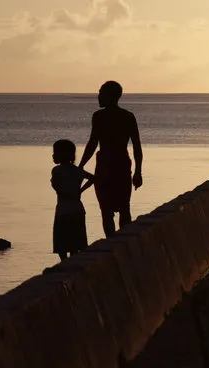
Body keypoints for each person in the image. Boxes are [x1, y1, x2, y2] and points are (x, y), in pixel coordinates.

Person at [79, 81, 143, 238]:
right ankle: (118, 242)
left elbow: (136, 146)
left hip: (113, 165)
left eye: (101, 93)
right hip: (112, 164)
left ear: (111, 96)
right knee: (116, 208)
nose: (98, 96)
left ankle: (117, 241)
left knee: (114, 209)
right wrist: (81, 165)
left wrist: (138, 172)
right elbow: (93, 143)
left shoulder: (109, 117)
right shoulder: (120, 116)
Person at [51, 139, 94, 260]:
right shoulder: (77, 171)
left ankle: (64, 267)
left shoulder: (57, 170)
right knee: (76, 245)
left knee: (62, 246)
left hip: (63, 211)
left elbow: (57, 186)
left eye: (55, 153)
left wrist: (60, 190)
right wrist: (80, 190)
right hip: (78, 210)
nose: (53, 155)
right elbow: (92, 178)